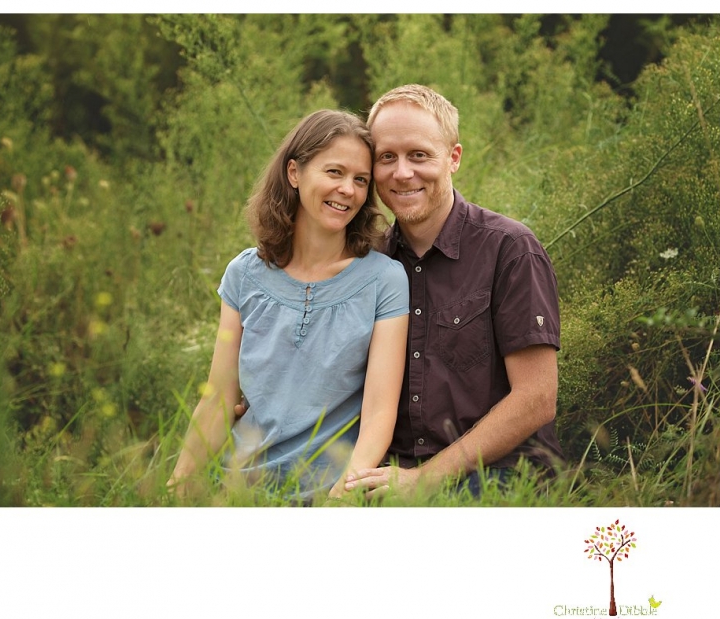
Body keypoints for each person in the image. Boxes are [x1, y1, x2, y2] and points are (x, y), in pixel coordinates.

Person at [167, 109, 410, 502]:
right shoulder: (244, 274)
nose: (347, 189)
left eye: (360, 180)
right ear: (294, 173)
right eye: (334, 172)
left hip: (328, 492)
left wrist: (342, 496)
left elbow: (380, 413)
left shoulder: (385, 280)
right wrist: (177, 488)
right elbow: (218, 398)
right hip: (239, 490)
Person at [344, 84, 564, 499]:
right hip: (392, 474)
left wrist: (424, 480)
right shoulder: (367, 263)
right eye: (387, 157)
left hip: (501, 473)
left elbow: (536, 398)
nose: (402, 173)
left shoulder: (510, 249)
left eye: (419, 155)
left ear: (454, 158)